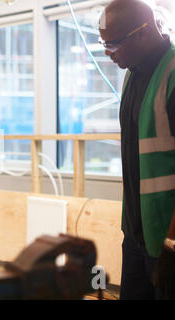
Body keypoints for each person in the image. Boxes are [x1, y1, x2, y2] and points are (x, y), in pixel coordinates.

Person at [98, 0, 175, 299]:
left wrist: (171, 243)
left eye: (114, 44)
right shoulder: (132, 73)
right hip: (135, 233)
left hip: (167, 240)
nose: (108, 52)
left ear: (143, 33)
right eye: (104, 43)